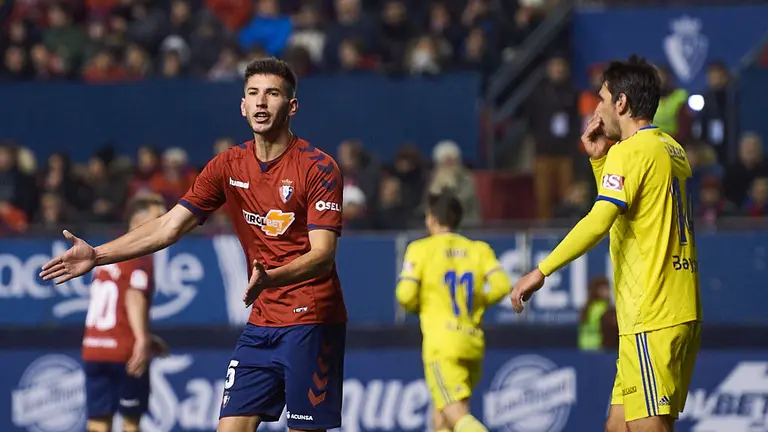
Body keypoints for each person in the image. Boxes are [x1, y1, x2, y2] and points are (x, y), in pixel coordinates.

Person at [41, 57, 347, 432]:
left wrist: (272, 279)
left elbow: (322, 255)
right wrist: (99, 254)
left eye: (272, 94)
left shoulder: (318, 167)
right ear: (242, 105)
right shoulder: (227, 166)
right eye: (253, 94)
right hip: (262, 320)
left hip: (311, 320)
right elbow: (169, 226)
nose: (261, 102)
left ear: (292, 106)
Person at [510, 55, 702, 432]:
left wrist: (540, 270)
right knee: (618, 426)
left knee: (649, 427)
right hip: (674, 305)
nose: (596, 108)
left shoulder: (630, 152)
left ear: (622, 103)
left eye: (601, 98)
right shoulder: (670, 149)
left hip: (652, 309)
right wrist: (600, 164)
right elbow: (634, 211)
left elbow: (601, 220)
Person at [396, 191, 511, 432]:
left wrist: (420, 305)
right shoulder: (478, 249)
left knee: (456, 415)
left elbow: (405, 295)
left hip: (442, 345)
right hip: (472, 342)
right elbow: (502, 285)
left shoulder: (420, 249)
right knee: (442, 417)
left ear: (431, 219)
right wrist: (477, 301)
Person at [81, 193, 170, 432]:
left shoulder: (109, 252)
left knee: (98, 423)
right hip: (125, 352)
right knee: (130, 423)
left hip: (94, 348)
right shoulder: (140, 253)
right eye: (159, 218)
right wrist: (141, 339)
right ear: (139, 222)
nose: (166, 223)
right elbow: (133, 295)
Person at [578, 276, 618, 351]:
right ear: (596, 291)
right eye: (603, 289)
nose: (607, 292)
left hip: (583, 347)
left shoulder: (586, 307)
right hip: (598, 347)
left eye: (607, 289)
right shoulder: (602, 308)